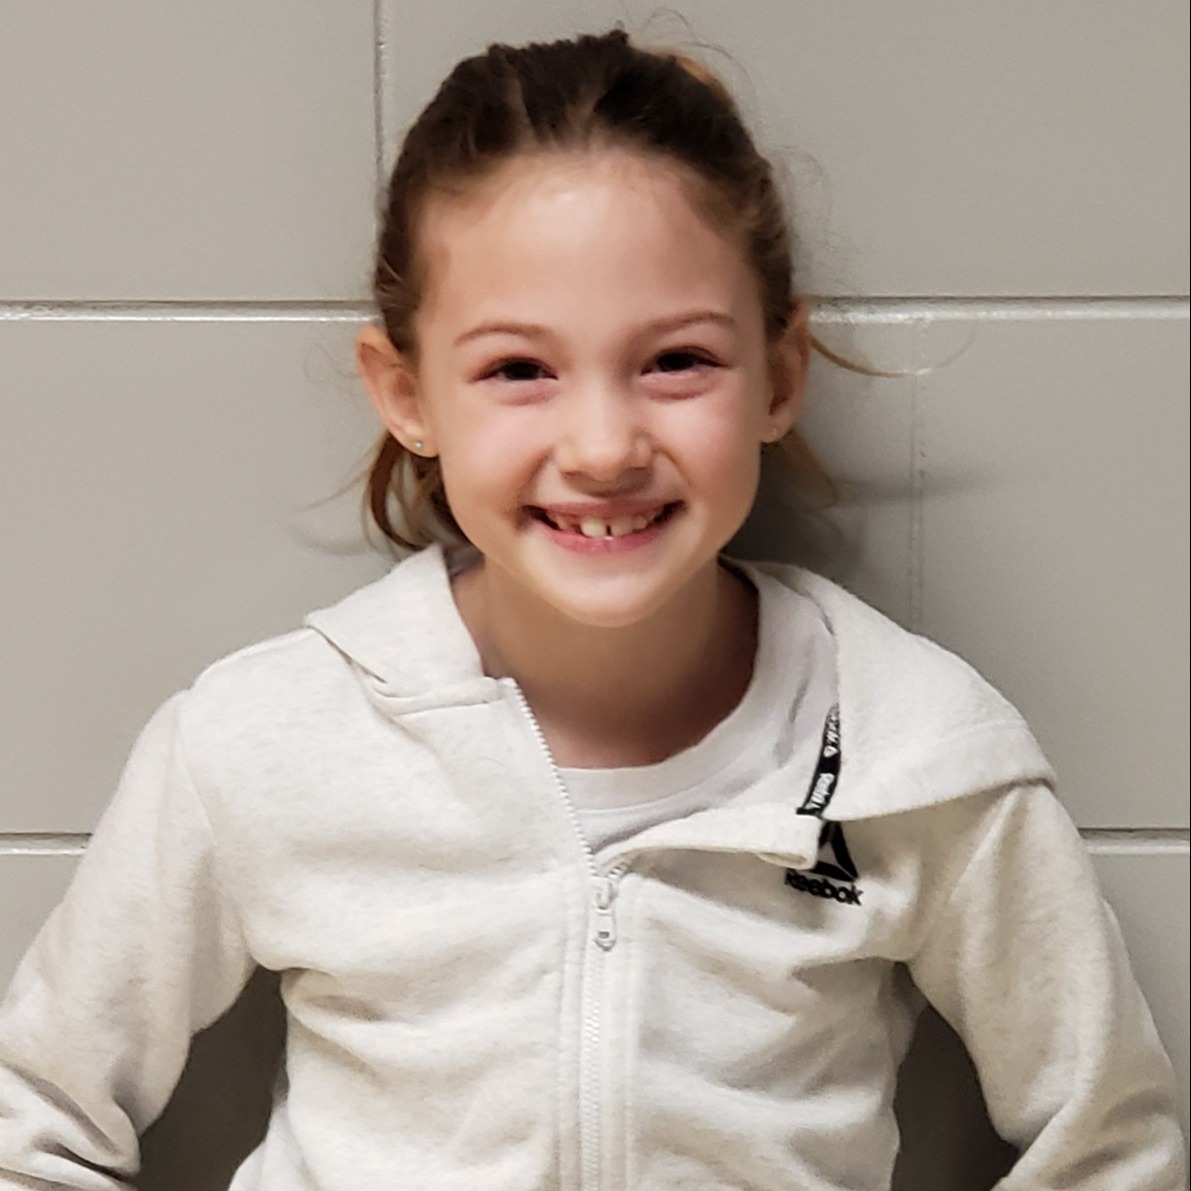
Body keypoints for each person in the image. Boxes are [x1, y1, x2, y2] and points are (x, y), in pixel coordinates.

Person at [0, 27, 1183, 1191]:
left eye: (676, 361)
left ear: (781, 375)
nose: (605, 447)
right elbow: (33, 1118)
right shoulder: (257, 741)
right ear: (405, 394)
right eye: (520, 370)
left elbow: (1115, 1148)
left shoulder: (918, 752)